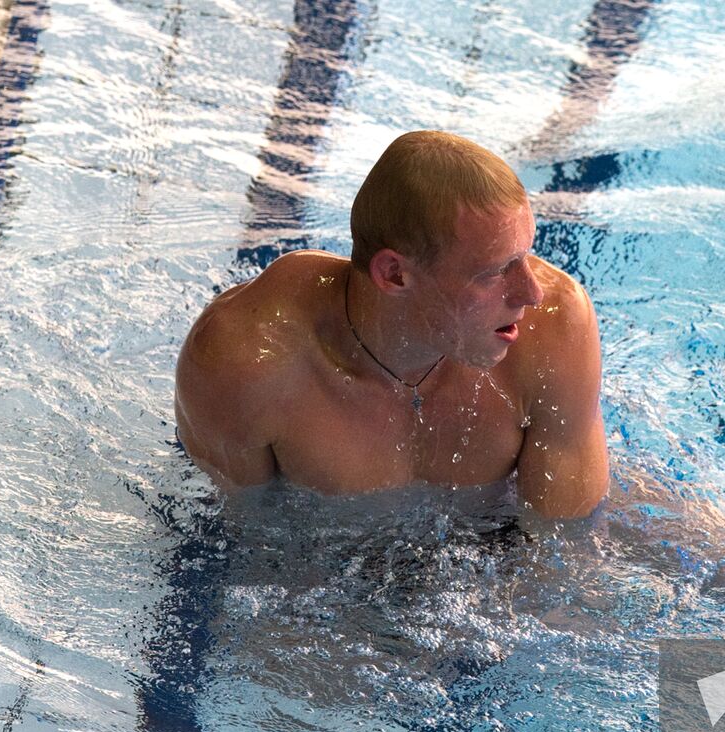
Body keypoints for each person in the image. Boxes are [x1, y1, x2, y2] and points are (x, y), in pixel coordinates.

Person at [175, 130, 609, 518]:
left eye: (526, 257)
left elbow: (566, 550)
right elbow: (246, 540)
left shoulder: (555, 329)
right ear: (395, 275)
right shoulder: (243, 363)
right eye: (495, 272)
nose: (531, 294)